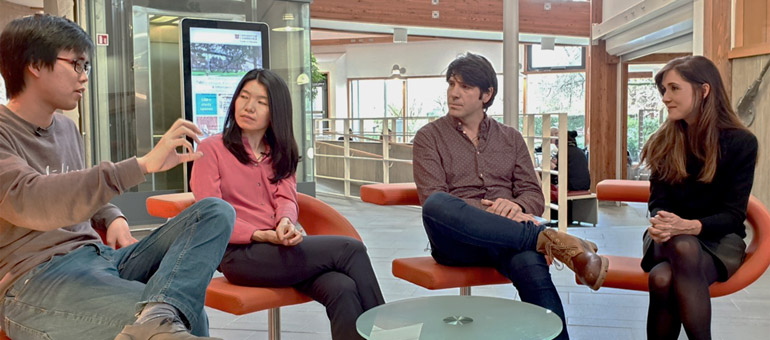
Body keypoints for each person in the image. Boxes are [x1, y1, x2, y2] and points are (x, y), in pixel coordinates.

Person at [0, 14, 235, 340]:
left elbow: (74, 185)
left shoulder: (66, 127)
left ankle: (159, 313)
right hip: (35, 281)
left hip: (99, 257)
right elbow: (32, 199)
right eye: (76, 64)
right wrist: (140, 165)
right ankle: (158, 316)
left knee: (214, 211)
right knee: (182, 318)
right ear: (35, 65)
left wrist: (112, 215)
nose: (84, 78)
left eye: (87, 67)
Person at [412, 52, 609, 340]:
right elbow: (432, 196)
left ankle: (540, 245)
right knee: (437, 205)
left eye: (465, 87)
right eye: (452, 84)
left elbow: (533, 195)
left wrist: (514, 205)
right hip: (456, 242)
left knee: (531, 265)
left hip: (509, 240)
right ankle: (550, 241)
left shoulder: (511, 138)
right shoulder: (429, 137)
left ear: (486, 94)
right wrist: (489, 212)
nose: (454, 93)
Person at [190, 69, 385, 340]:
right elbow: (211, 214)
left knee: (342, 288)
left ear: (276, 111)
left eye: (261, 101)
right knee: (350, 249)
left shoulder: (281, 152)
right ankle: (388, 331)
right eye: (244, 97)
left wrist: (285, 224)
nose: (248, 107)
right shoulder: (210, 149)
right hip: (239, 256)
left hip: (280, 250)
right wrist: (259, 234)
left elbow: (286, 198)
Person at [639, 56, 757, 340]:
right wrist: (667, 223)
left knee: (663, 278)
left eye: (674, 88)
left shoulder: (740, 143)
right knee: (683, 246)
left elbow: (732, 214)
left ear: (704, 90)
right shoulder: (663, 142)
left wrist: (690, 226)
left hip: (719, 239)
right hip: (666, 238)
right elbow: (658, 202)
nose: (666, 98)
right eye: (663, 90)